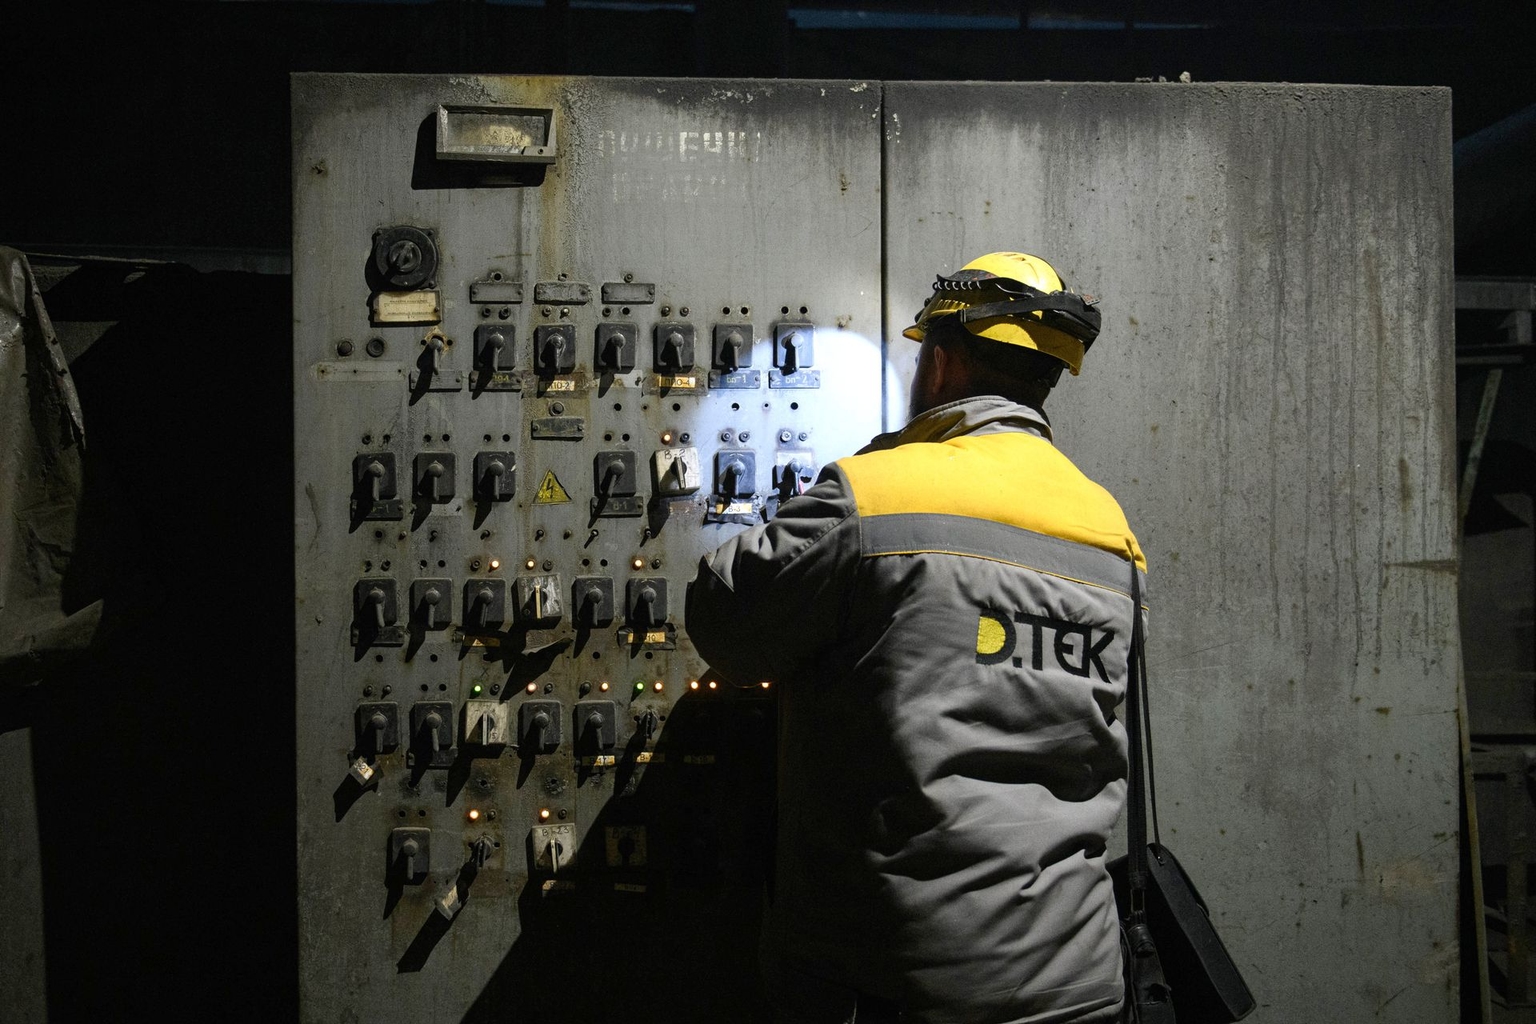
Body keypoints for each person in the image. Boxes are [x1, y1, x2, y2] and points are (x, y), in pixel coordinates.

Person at [685, 252, 1145, 1024]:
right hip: (1078, 980)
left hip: (896, 980)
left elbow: (726, 623)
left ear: (939, 361)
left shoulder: (878, 495)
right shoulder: (1110, 532)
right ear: (1049, 378)